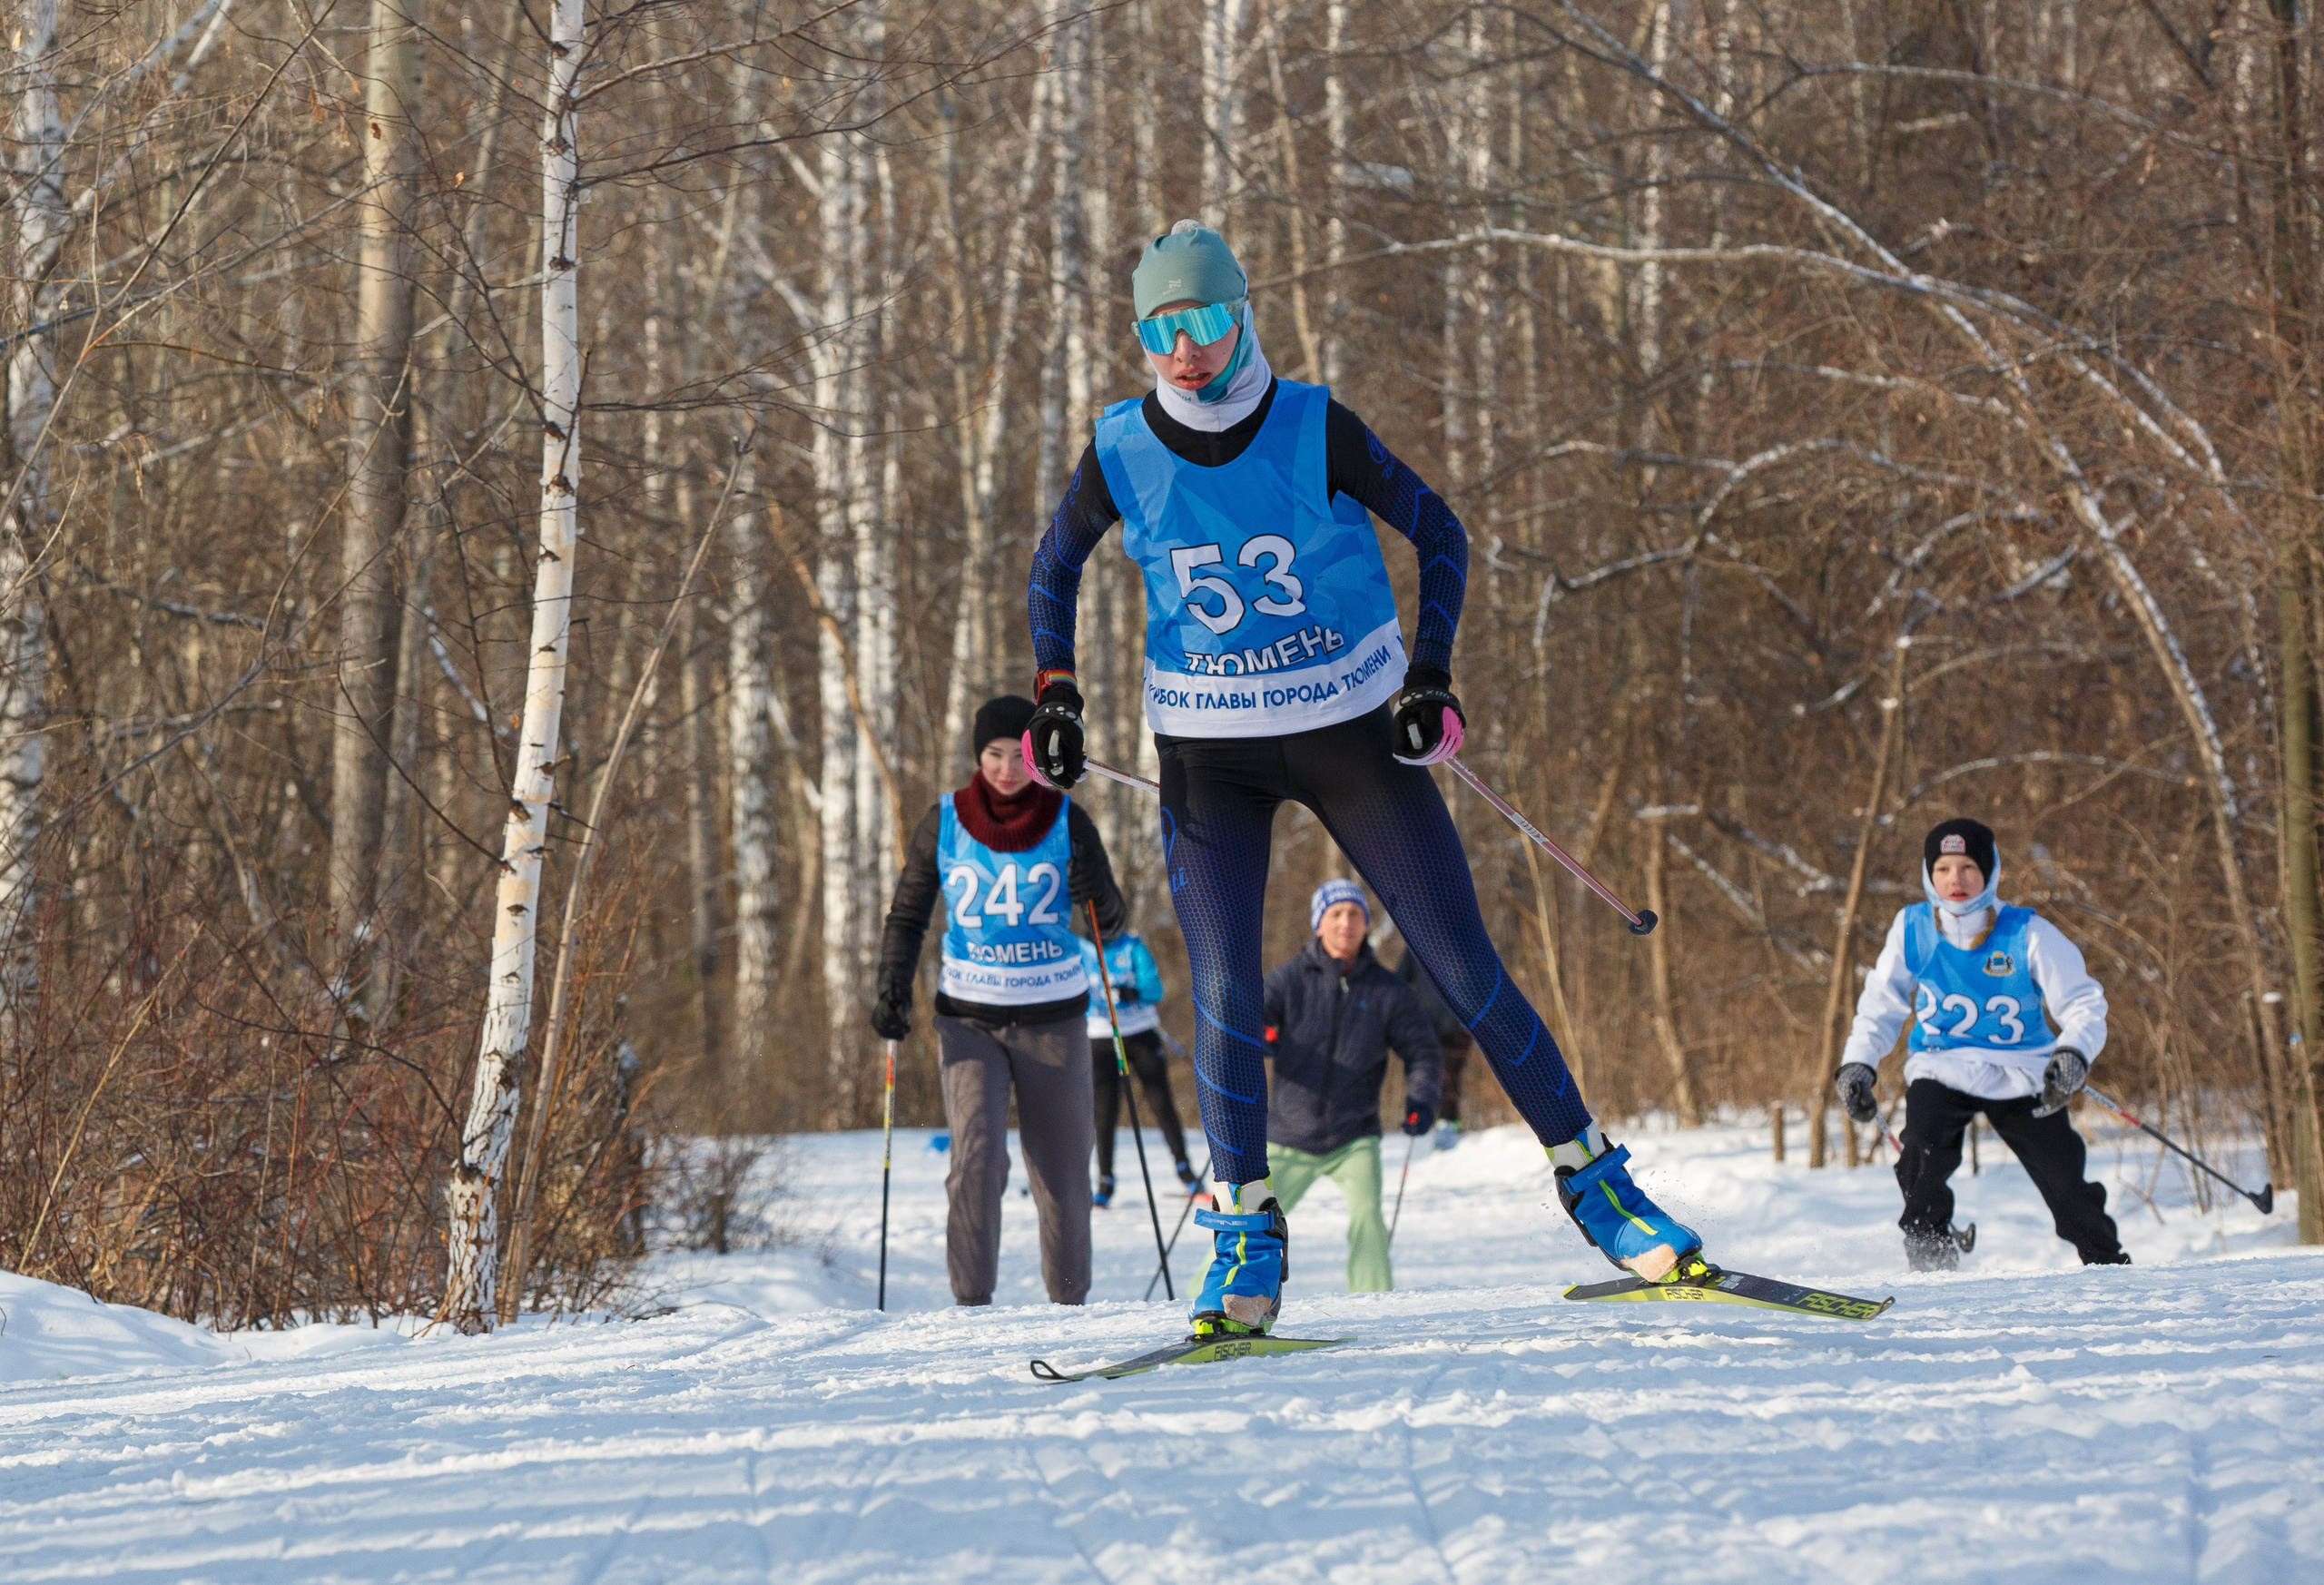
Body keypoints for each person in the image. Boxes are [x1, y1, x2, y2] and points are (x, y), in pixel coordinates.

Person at [1020, 220, 1703, 1340]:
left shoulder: (1310, 424)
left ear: (1242, 315)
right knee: (1230, 996)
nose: (1185, 349)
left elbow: (1440, 532)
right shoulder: (1119, 448)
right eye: (1159, 328)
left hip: (1349, 729)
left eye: (1204, 320)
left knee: (1463, 972)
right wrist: (1056, 693)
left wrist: (1431, 674)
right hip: (1208, 753)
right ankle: (1245, 1239)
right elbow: (1053, 570)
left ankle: (1601, 1190)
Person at [872, 694, 1128, 1306]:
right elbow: (908, 914)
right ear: (976, 755)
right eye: (994, 754)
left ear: (1040, 758)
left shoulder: (1069, 821)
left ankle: (1069, 1307)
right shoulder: (944, 821)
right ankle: (971, 1307)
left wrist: (1098, 896)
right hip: (969, 1018)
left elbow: (1110, 925)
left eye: (1020, 755)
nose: (1007, 769)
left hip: (1055, 1017)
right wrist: (891, 985)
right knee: (977, 1162)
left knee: (1064, 1175)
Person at [1835, 817, 2128, 1271]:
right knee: (1921, 1155)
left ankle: (2107, 1264)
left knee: (2065, 1181)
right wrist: (1858, 1064)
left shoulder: (2026, 932)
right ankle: (1932, 1258)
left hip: (2023, 1072)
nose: (1956, 880)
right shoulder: (1911, 928)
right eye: (1944, 869)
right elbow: (1880, 1003)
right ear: (1928, 875)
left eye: (1968, 867)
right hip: (1941, 1065)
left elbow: (2084, 1003)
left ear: (1990, 872)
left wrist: (2073, 1052)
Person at [1243, 880, 1438, 1294]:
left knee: (1368, 1219)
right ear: (1319, 924)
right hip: (1288, 1134)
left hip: (1354, 1135)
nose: (1346, 923)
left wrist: (1421, 1099)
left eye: (1355, 914)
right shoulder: (1287, 979)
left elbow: (1421, 1051)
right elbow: (1249, 1025)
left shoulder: (1389, 991)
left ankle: (1374, 1307)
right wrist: (1265, 1038)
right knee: (1252, 1221)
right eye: (1336, 914)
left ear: (1366, 925)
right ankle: (1217, 1296)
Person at [1078, 926, 1201, 1204]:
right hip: (1100, 1036)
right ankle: (1105, 1179)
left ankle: (1185, 1170)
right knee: (1105, 1109)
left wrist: (1133, 993)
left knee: (1160, 1101)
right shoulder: (1079, 948)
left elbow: (1154, 989)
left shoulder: (1131, 946)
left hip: (1140, 1032)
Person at [1397, 943, 1472, 1150]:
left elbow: (1478, 980)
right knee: (1424, 1072)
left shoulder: (1463, 943)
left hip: (1459, 1025)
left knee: (1450, 1075)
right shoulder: (1415, 945)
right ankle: (1421, 1118)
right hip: (1425, 1024)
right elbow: (1400, 981)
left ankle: (1447, 1123)